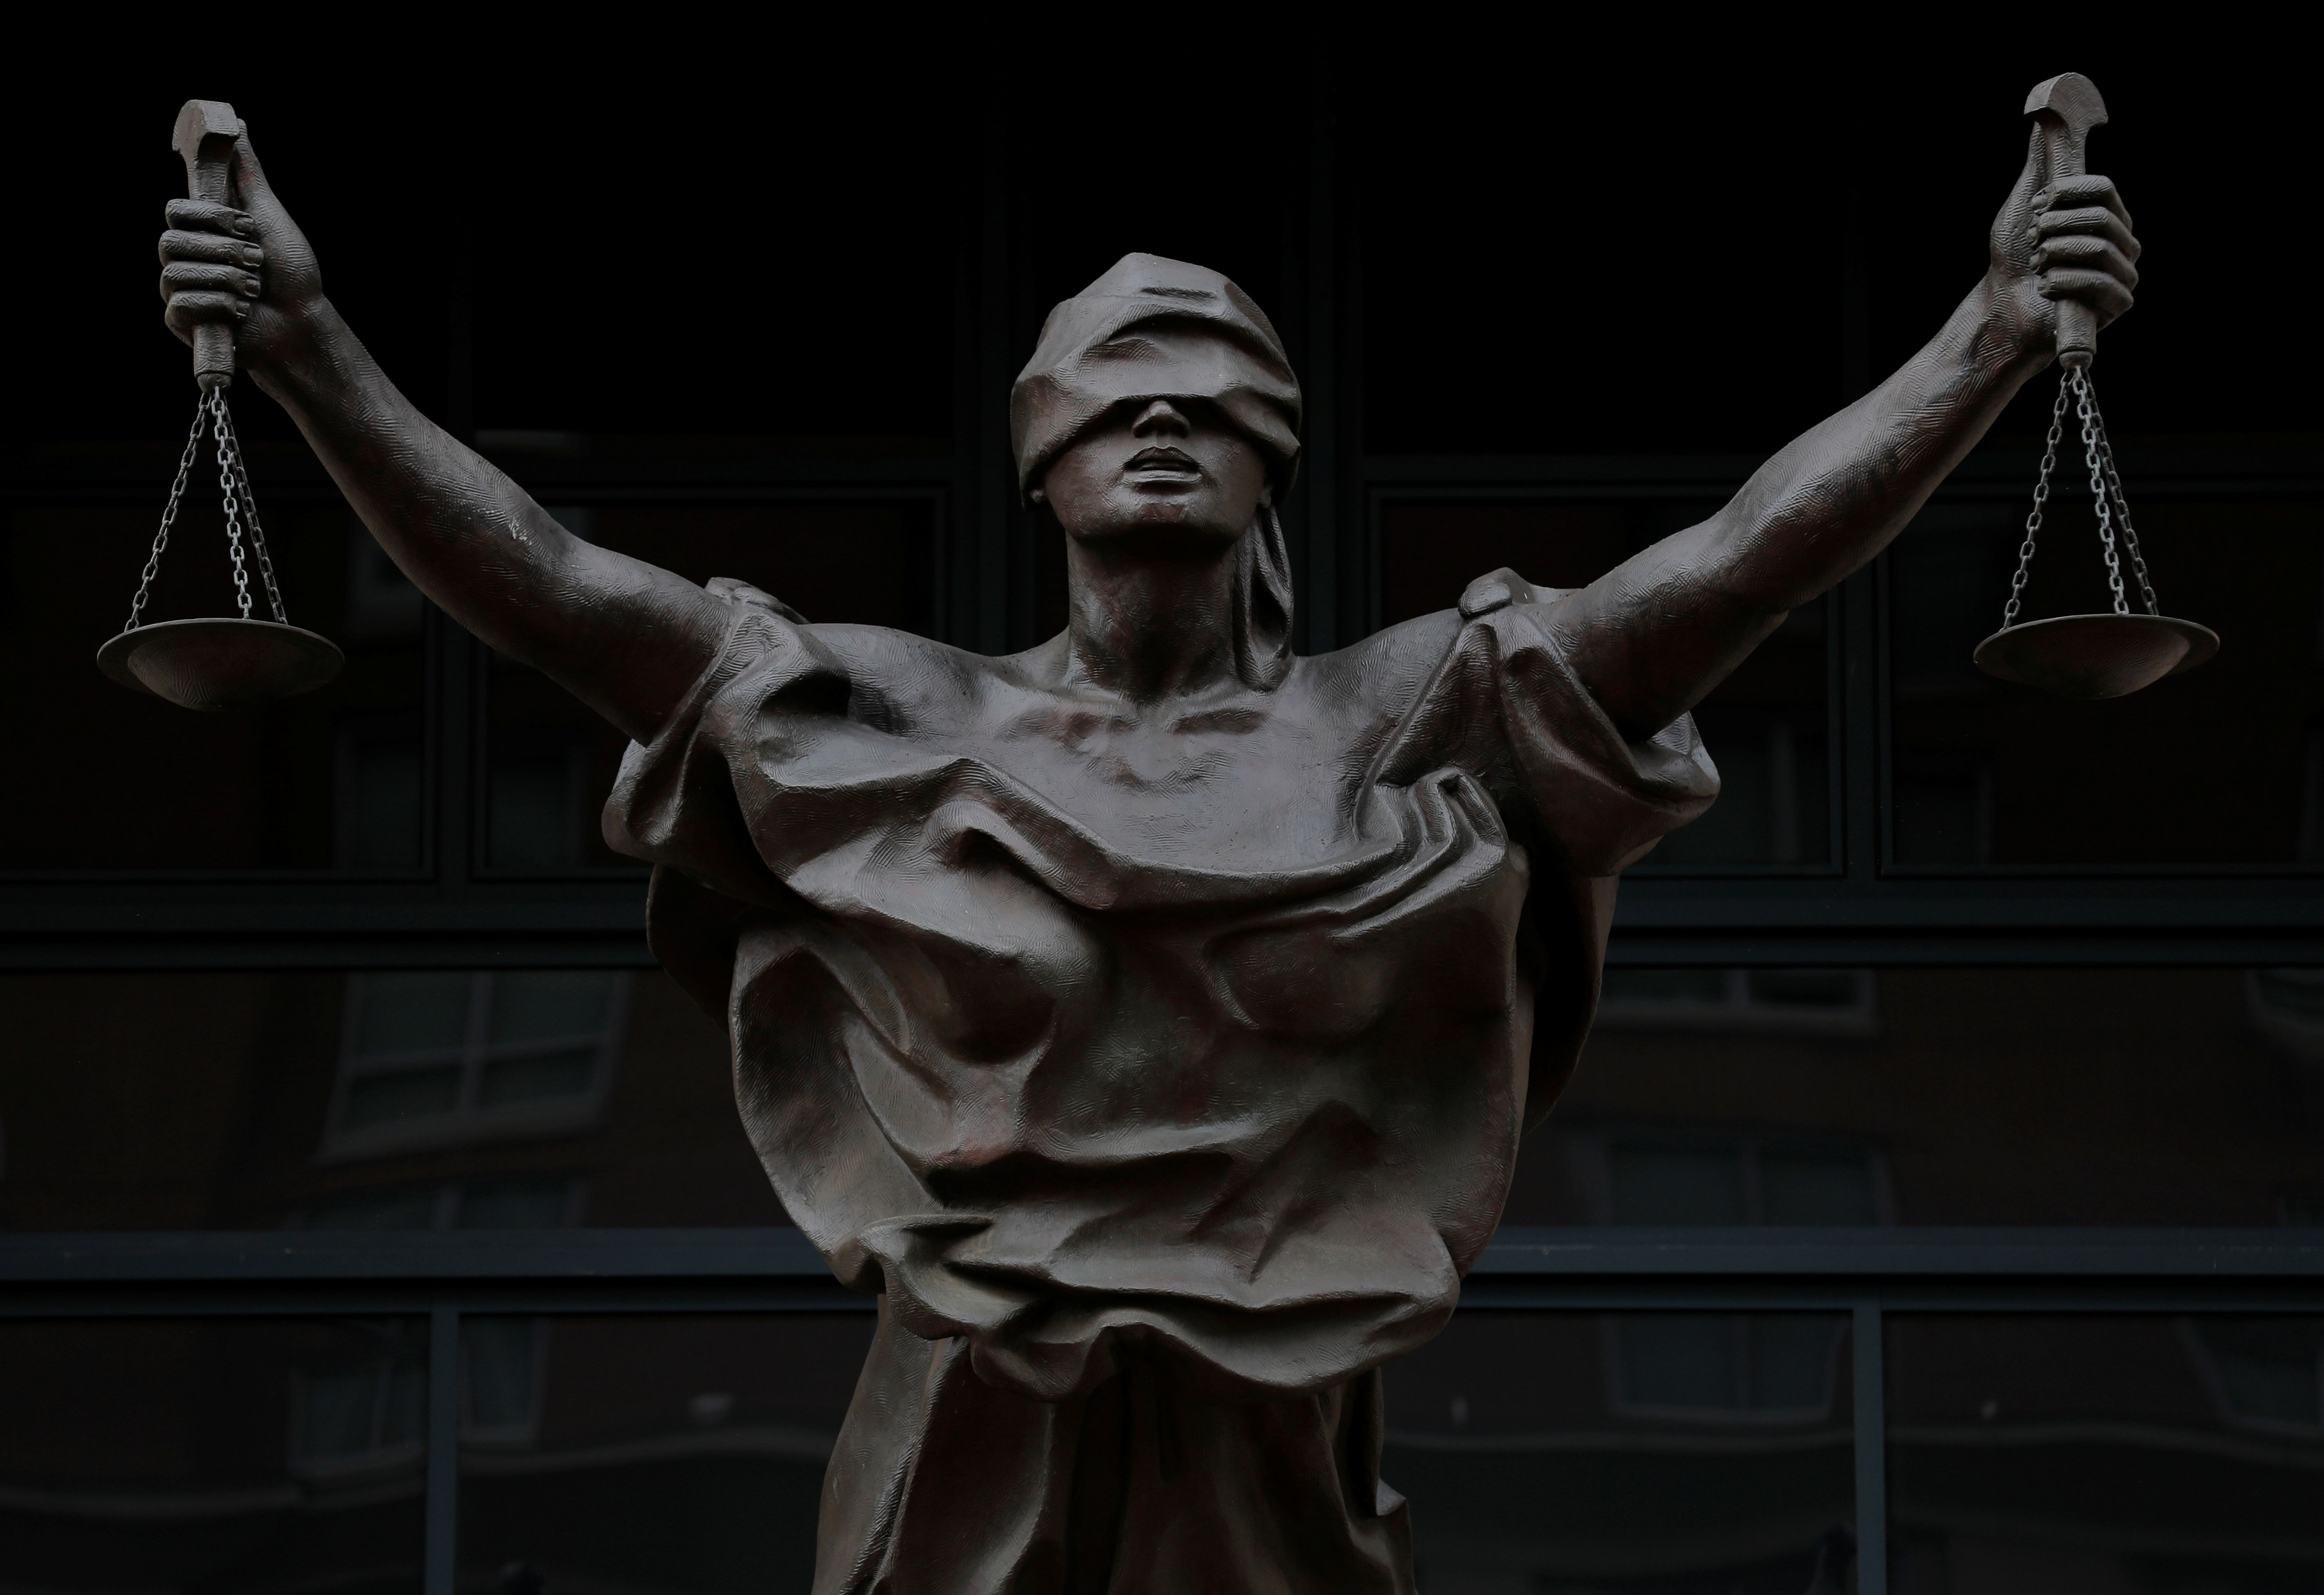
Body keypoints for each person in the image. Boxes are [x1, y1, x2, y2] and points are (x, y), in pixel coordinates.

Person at [158, 112, 2138, 1594]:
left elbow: (1732, 567)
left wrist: (1987, 334)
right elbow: (561, 593)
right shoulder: (900, 721)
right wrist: (315, 348)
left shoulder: (1412, 711)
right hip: (961, 1437)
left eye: (1218, 393)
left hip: (1279, 1448)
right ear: (1043, 458)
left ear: (1279, 457)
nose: (1169, 410)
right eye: (1119, 390)